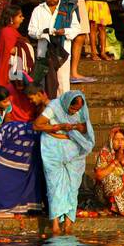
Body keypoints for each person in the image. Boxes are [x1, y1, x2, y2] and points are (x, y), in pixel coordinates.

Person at [34, 91, 94, 234]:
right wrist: (59, 127)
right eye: (72, 109)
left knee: (72, 187)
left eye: (77, 110)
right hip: (53, 149)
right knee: (54, 186)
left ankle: (68, 224)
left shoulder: (81, 110)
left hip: (74, 150)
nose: (74, 112)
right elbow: (36, 125)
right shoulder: (54, 106)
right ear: (67, 103)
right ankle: (55, 225)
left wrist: (78, 127)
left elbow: (87, 128)